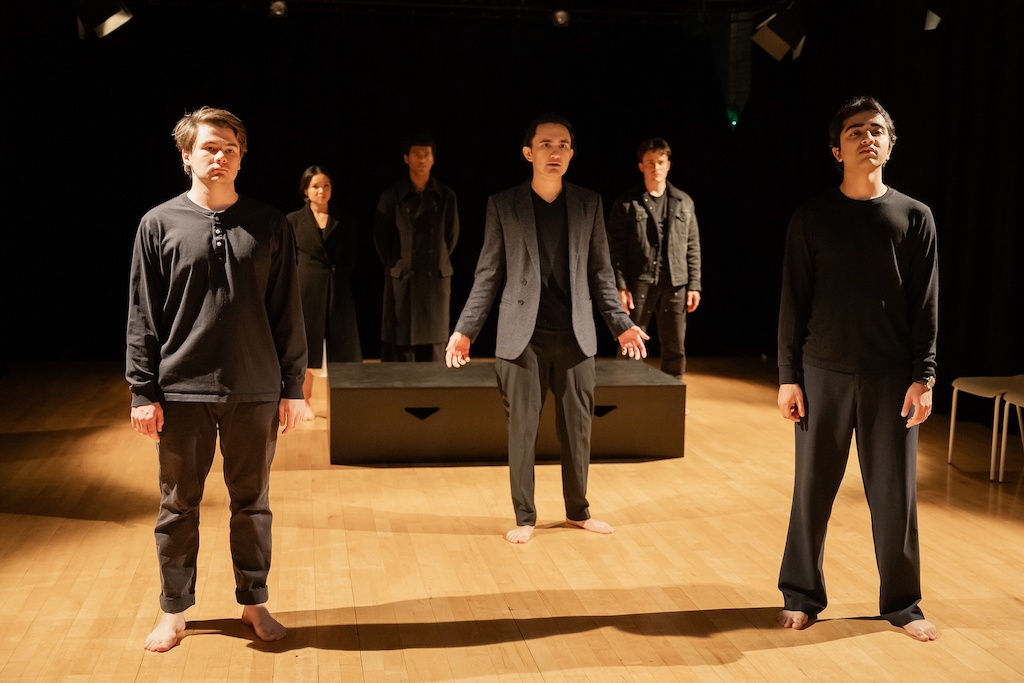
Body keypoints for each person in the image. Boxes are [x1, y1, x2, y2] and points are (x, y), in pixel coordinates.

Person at [126, 106, 306, 652]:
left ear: (241, 156)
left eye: (230, 147)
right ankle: (174, 610)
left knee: (252, 504)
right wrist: (141, 389)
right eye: (208, 147)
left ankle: (254, 601)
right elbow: (143, 314)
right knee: (177, 506)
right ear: (186, 157)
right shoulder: (158, 224)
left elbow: (288, 312)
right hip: (182, 390)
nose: (220, 155)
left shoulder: (272, 223)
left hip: (255, 388)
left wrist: (293, 388)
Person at [776, 96, 939, 641]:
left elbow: (926, 306)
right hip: (823, 373)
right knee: (812, 490)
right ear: (836, 149)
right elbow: (793, 303)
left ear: (891, 144)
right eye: (855, 131)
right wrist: (788, 376)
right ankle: (801, 595)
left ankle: (903, 603)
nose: (867, 138)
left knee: (895, 496)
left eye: (877, 130)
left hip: (892, 378)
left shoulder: (915, 217)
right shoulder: (811, 217)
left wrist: (926, 375)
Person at [445, 113, 650, 545]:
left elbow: (600, 274)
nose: (554, 152)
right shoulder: (504, 204)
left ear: (571, 154)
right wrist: (465, 330)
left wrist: (621, 325)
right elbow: (488, 274)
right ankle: (525, 515)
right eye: (545, 144)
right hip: (523, 338)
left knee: (577, 429)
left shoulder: (589, 202)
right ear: (528, 153)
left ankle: (579, 511)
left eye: (562, 145)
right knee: (522, 429)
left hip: (576, 335)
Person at [606, 137, 702, 380]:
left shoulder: (683, 202)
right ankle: (625, 391)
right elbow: (613, 249)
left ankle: (674, 396)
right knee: (632, 339)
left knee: (675, 345)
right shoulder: (627, 203)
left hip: (676, 283)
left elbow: (692, 246)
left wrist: (694, 285)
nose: (655, 167)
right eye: (650, 162)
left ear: (668, 164)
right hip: (640, 281)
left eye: (660, 162)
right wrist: (621, 285)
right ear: (641, 166)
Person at [373, 134, 459, 362]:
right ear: (406, 158)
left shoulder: (446, 196)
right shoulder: (391, 196)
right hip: (403, 279)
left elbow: (451, 237)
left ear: (433, 160)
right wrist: (401, 265)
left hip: (434, 278)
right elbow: (382, 240)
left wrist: (433, 259)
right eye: (416, 155)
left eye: (426, 155)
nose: (421, 160)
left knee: (433, 347)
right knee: (401, 342)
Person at [287, 165, 362, 421]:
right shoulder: (294, 220)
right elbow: (289, 258)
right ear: (306, 190)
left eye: (326, 185)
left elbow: (351, 255)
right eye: (316, 186)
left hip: (337, 288)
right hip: (306, 289)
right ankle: (304, 400)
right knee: (307, 346)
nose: (322, 190)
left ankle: (343, 400)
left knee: (342, 346)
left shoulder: (344, 219)